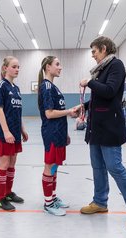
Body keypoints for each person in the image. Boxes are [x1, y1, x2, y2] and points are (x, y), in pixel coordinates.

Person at [79, 36, 126, 230]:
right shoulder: (101, 70)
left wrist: (90, 82)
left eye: (94, 51)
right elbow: (100, 99)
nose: (92, 55)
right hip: (96, 128)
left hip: (110, 128)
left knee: (115, 168)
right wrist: (83, 107)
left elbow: (109, 92)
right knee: (97, 167)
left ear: (104, 49)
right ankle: (100, 202)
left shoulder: (116, 66)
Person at [38, 56, 77, 216]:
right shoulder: (46, 87)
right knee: (50, 166)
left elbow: (57, 113)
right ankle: (48, 203)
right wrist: (70, 111)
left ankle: (52, 197)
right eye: (57, 64)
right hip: (51, 133)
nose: (60, 67)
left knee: (55, 166)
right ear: (48, 67)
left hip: (59, 133)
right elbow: (49, 113)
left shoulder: (53, 87)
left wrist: (65, 133)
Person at [0, 56, 28, 211]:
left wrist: (22, 129)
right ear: (5, 68)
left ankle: (8, 193)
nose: (17, 69)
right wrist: (6, 131)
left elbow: (17, 112)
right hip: (4, 132)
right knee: (4, 163)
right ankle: (0, 198)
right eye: (14, 66)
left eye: (18, 67)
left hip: (15, 132)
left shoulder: (17, 88)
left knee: (12, 163)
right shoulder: (1, 85)